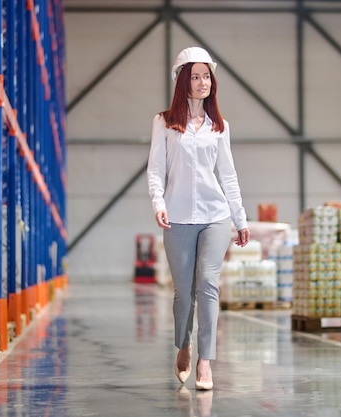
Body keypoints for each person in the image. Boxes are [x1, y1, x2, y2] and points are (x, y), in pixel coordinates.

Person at [147, 46, 250, 391]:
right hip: (176, 217)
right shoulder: (163, 122)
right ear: (183, 81)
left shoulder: (220, 127)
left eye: (207, 76)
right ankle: (184, 345)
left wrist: (241, 219)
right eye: (196, 76)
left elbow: (229, 176)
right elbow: (156, 170)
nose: (203, 82)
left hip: (215, 216)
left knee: (207, 283)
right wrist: (158, 203)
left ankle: (205, 361)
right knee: (183, 292)